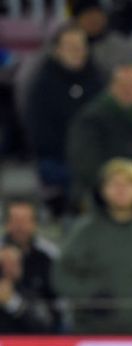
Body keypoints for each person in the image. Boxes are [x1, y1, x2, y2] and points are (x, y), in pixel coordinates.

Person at [53, 158, 132, 334]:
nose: (121, 190)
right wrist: (90, 297)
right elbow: (62, 273)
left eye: (129, 184)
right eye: (114, 184)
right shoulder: (86, 230)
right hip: (93, 331)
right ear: (102, 189)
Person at [24, 25, 103, 214]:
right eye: (70, 46)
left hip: (93, 158)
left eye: (81, 46)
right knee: (70, 178)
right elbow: (40, 135)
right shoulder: (42, 85)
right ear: (57, 50)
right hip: (57, 158)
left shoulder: (98, 80)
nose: (77, 52)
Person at [66, 64, 132, 210]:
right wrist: (117, 185)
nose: (128, 90)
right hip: (101, 192)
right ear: (111, 87)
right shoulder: (92, 118)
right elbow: (85, 163)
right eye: (122, 85)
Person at [0, 199, 60, 333]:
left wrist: (13, 301)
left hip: (36, 335)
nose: (20, 226)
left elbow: (54, 309)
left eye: (25, 221)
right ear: (7, 224)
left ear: (35, 224)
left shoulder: (48, 255)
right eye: (15, 221)